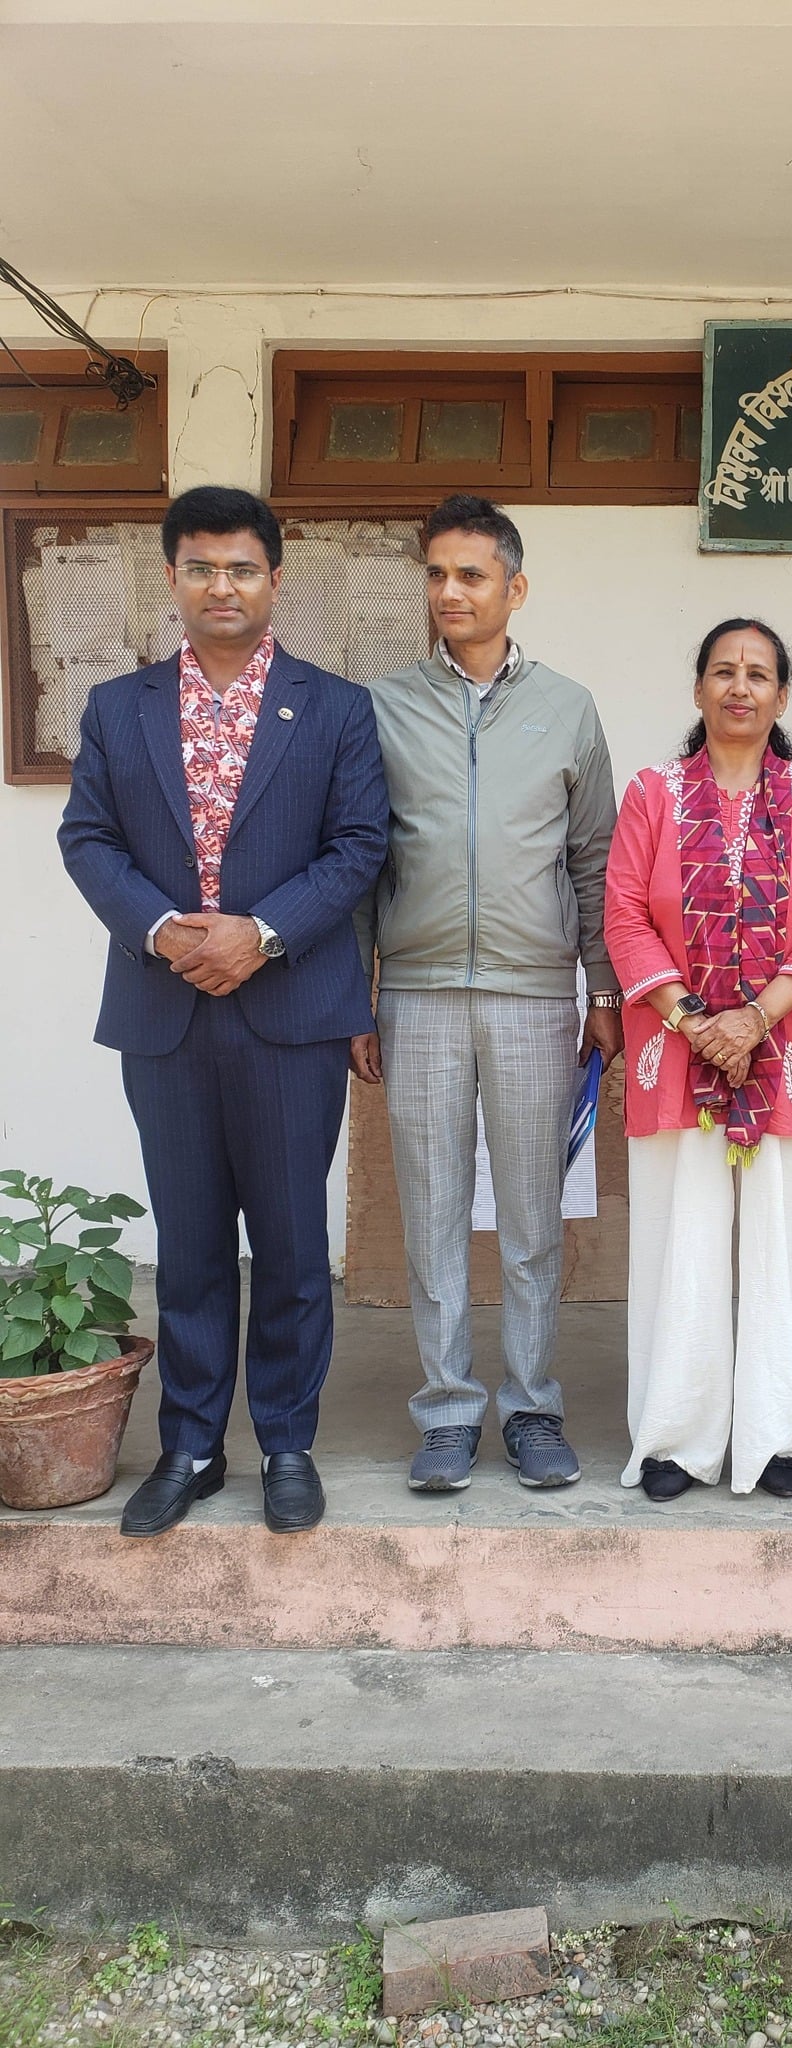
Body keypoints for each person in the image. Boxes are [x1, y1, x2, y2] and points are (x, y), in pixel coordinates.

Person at [57, 485, 389, 1537]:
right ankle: (192, 1442)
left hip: (290, 1009)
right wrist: (163, 929)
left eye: (242, 567)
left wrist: (263, 932)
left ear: (275, 578)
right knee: (192, 1240)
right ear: (172, 578)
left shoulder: (335, 706)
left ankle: (286, 1440)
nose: (222, 585)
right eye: (200, 567)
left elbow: (360, 845)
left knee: (292, 1241)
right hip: (165, 1011)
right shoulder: (120, 707)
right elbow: (87, 839)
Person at [351, 495, 622, 1494]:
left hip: (532, 994)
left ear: (514, 587)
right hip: (415, 993)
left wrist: (603, 986)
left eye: (471, 574)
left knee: (531, 1213)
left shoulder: (568, 706)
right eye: (436, 573)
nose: (450, 591)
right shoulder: (379, 706)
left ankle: (535, 1404)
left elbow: (594, 857)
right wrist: (355, 994)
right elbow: (357, 861)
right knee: (429, 1210)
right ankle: (448, 1407)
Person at [603, 620, 792, 1501]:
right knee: (682, 1238)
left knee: (784, 1245)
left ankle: (776, 1435)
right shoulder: (651, 793)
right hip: (676, 1049)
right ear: (699, 690)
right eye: (723, 671)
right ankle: (676, 1438)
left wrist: (752, 1020)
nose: (740, 687)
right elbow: (626, 917)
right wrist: (694, 1020)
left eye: (759, 674)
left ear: (783, 696)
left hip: (786, 1046)